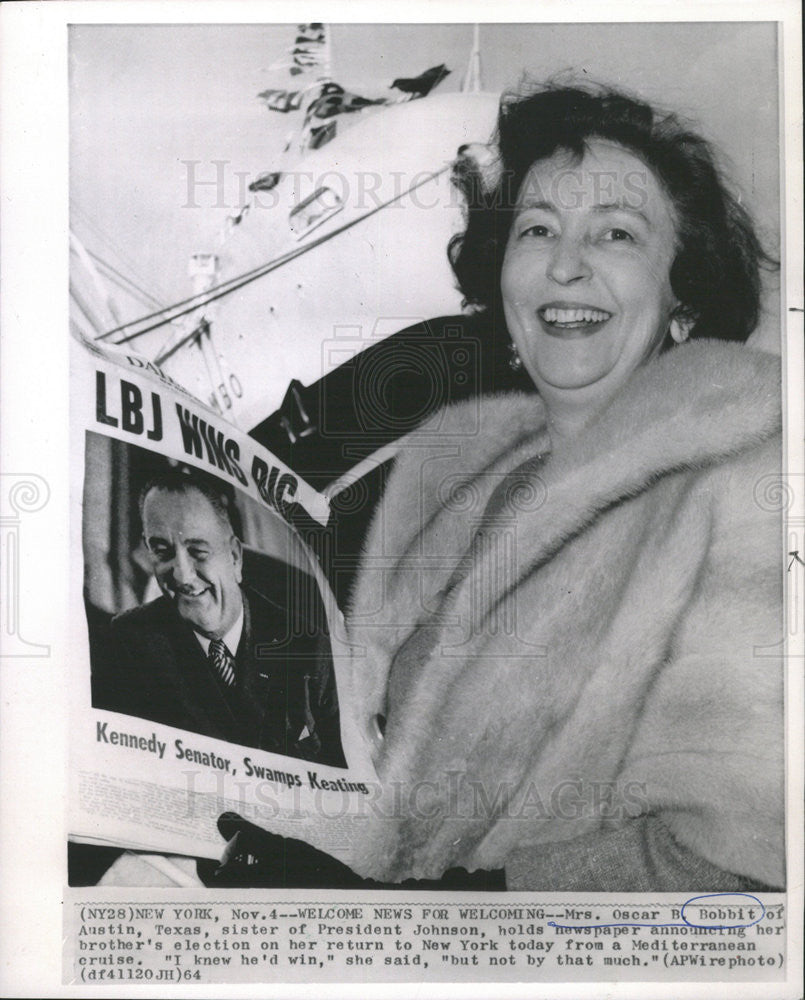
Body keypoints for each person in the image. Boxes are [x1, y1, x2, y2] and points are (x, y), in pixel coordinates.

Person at [208, 81, 783, 891]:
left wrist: (431, 911)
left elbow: (744, 862)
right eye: (537, 229)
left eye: (615, 234)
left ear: (682, 301)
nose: (565, 263)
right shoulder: (462, 474)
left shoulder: (747, 480)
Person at [92, 469, 345, 767]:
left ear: (235, 558)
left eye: (198, 551)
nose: (182, 575)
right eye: (163, 552)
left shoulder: (309, 649)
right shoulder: (127, 645)